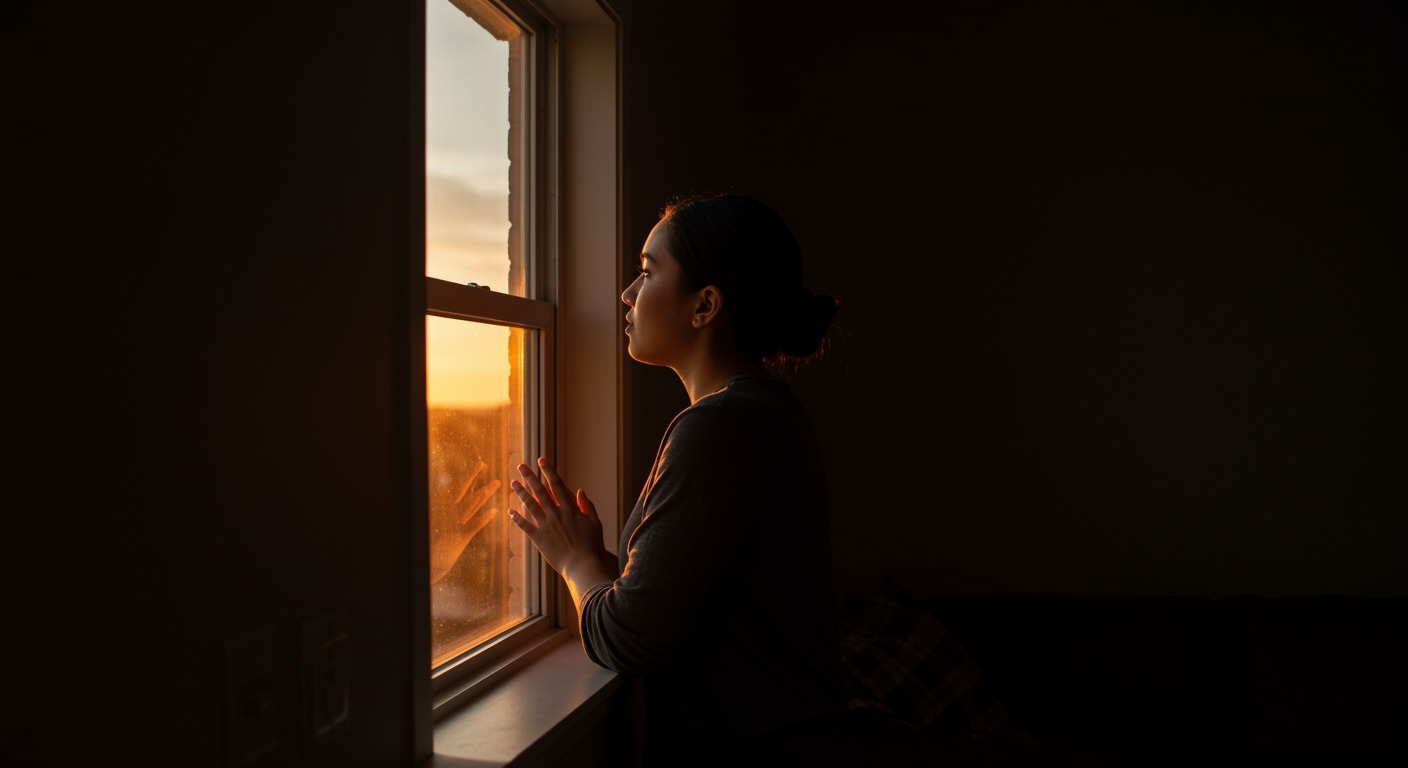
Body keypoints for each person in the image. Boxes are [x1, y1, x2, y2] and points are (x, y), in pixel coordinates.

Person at [508, 193, 855, 766]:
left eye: (646, 272)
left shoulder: (719, 426)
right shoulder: (765, 412)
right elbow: (703, 599)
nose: (627, 293)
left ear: (705, 306)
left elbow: (629, 638)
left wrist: (575, 561)